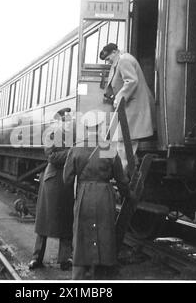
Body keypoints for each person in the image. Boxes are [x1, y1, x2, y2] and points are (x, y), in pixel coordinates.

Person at [63, 113, 130, 280]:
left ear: (85, 128)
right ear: (100, 127)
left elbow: (67, 179)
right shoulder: (108, 149)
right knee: (104, 233)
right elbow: (121, 180)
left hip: (84, 194)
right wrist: (128, 194)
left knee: (82, 234)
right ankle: (100, 274)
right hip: (104, 196)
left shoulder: (76, 149)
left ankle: (79, 275)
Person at [28, 108, 74, 271]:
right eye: (65, 120)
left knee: (67, 220)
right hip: (53, 181)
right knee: (44, 221)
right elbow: (52, 157)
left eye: (69, 120)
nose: (68, 123)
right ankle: (36, 258)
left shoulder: (74, 135)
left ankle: (64, 259)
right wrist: (71, 153)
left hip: (67, 180)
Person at [99, 43, 155, 172]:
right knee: (123, 141)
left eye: (108, 58)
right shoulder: (123, 59)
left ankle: (122, 176)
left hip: (133, 107)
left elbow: (131, 80)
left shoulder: (124, 60)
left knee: (124, 141)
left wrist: (119, 98)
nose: (108, 61)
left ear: (114, 52)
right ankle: (127, 172)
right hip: (131, 107)